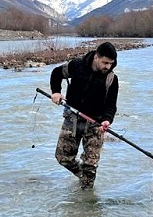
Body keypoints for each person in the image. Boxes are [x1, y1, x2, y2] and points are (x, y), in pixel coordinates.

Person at [49, 41, 119, 190]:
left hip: (96, 124)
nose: (108, 66)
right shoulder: (77, 65)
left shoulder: (111, 79)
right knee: (62, 158)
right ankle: (84, 176)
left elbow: (111, 105)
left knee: (90, 166)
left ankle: (86, 199)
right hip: (72, 118)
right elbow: (56, 73)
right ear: (96, 57)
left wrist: (107, 120)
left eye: (111, 64)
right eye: (105, 62)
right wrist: (55, 91)